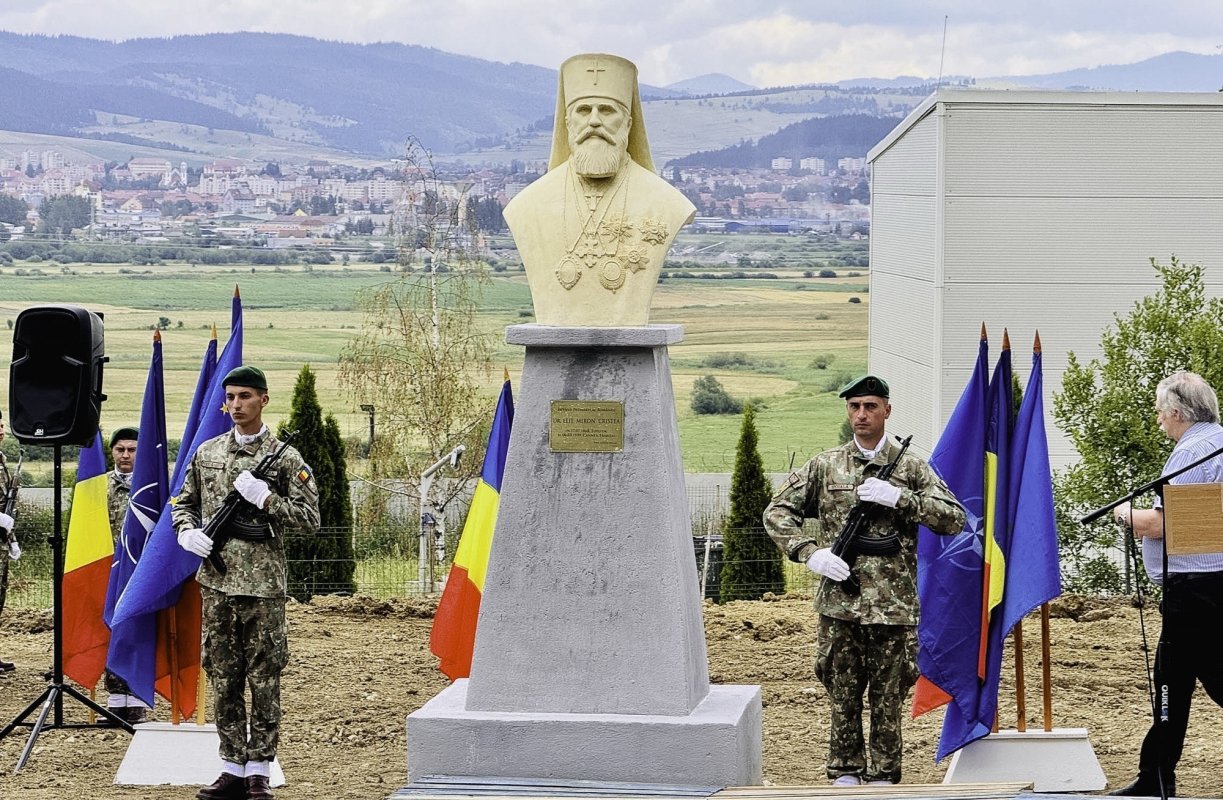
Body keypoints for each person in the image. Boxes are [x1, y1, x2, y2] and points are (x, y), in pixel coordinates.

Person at [763, 375, 966, 786]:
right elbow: (777, 512)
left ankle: (884, 775)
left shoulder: (910, 467)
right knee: (843, 690)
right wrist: (811, 553)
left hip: (894, 605)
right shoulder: (826, 465)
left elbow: (954, 519)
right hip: (840, 601)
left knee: (888, 696)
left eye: (871, 406)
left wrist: (901, 499)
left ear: (887, 410)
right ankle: (845, 771)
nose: (862, 415)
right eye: (855, 407)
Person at [172, 366, 319, 800]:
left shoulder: (286, 458)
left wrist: (267, 499)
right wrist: (186, 532)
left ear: (263, 400)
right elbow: (185, 502)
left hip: (263, 587)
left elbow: (310, 520)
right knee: (223, 676)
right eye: (231, 397)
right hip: (217, 584)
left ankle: (260, 768)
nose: (236, 405)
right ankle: (231, 766)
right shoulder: (208, 452)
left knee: (265, 677)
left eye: (245, 397)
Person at [503, 52, 695, 327]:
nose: (594, 122)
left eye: (607, 110)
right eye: (583, 111)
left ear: (628, 124)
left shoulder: (667, 204)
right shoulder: (527, 206)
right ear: (568, 123)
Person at [1109, 371, 1223, 797]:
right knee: (1177, 679)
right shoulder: (1218, 442)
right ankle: (1156, 776)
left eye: (1159, 412)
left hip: (1194, 588)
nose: (1158, 420)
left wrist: (1123, 514)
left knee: (1190, 680)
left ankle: (1155, 777)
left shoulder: (1192, 451)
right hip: (1209, 584)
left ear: (1176, 412)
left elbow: (1161, 524)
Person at [104, 425, 151, 722]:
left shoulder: (151, 486)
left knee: (139, 631)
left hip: (141, 570)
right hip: (109, 570)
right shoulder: (99, 485)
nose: (125, 455)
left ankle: (135, 696)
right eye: (120, 449)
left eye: (132, 450)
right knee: (110, 631)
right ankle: (114, 696)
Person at [0, 408, 18, 673]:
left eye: (2, 426)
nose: (1, 431)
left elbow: (7, 508)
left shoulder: (3, 462)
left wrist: (12, 539)